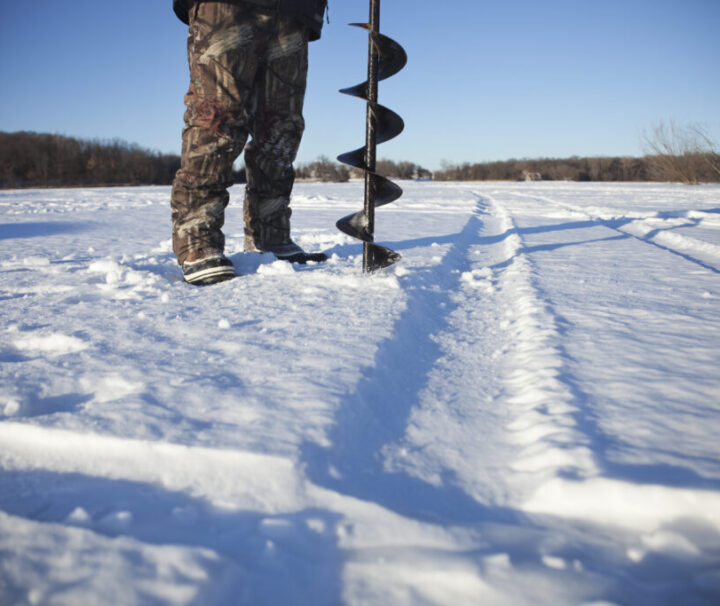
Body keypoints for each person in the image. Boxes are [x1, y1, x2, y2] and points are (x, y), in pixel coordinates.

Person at [171, 0, 329, 285]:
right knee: (216, 115)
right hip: (226, 7)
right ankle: (198, 237)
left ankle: (271, 234)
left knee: (282, 126)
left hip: (295, 10)